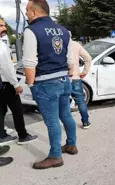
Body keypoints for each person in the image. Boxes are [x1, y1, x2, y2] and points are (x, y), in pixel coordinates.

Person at [23, 0, 77, 169]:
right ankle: (71, 144)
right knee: (66, 114)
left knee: (52, 121)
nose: (26, 14)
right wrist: (67, 75)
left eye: (27, 10)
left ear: (34, 12)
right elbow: (70, 60)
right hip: (63, 80)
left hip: (45, 83)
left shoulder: (31, 31)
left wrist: (31, 85)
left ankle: (55, 156)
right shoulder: (64, 30)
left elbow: (29, 63)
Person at [0, 18, 38, 146]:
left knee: (1, 110)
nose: (4, 28)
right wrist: (16, 85)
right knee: (17, 109)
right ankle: (23, 135)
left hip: (2, 83)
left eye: (4, 25)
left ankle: (2, 135)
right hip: (6, 83)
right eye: (0, 26)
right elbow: (6, 67)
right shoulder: (1, 46)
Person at [69, 38, 92, 129]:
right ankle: (85, 122)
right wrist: (85, 71)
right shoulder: (75, 44)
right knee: (80, 100)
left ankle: (68, 124)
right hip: (75, 77)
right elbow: (88, 58)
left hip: (62, 78)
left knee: (64, 102)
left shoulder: (56, 44)